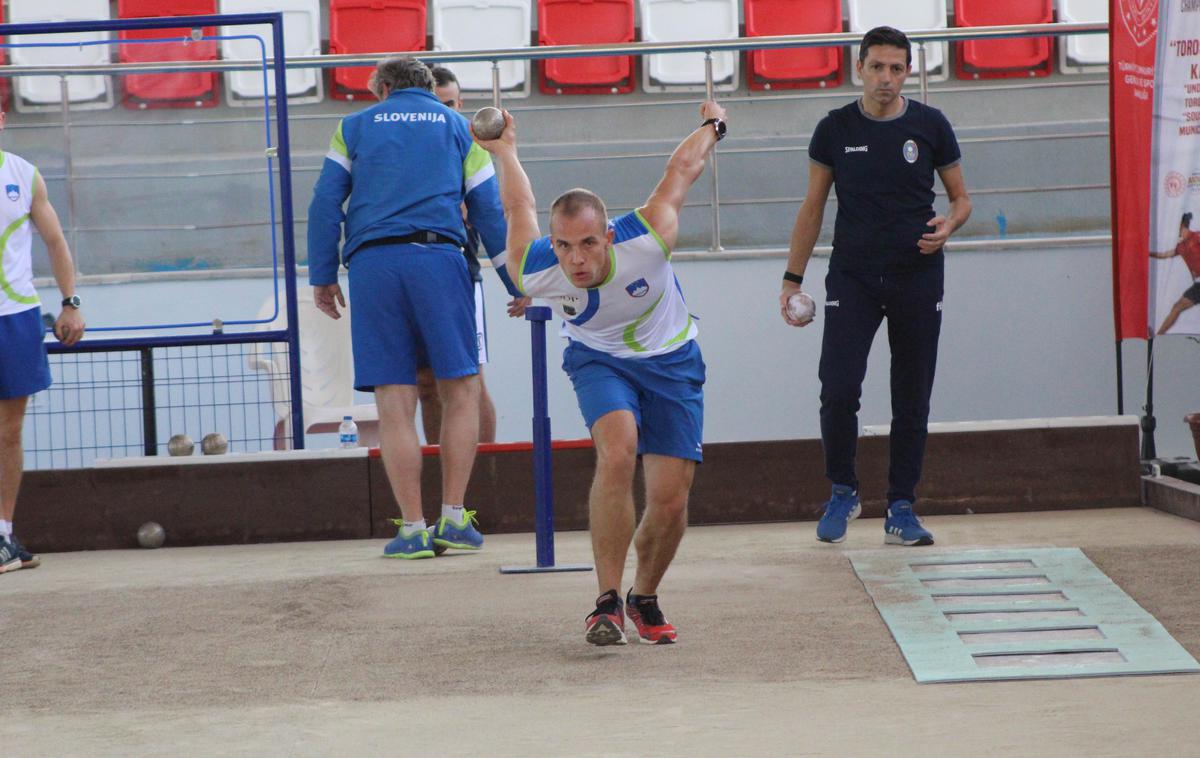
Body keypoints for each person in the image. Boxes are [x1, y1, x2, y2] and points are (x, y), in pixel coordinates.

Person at [475, 99, 727, 646]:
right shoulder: (536, 268)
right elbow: (519, 204)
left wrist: (713, 125)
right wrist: (505, 150)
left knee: (671, 500)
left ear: (608, 236)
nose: (576, 259)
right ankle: (606, 603)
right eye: (564, 246)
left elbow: (681, 170)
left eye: (588, 243)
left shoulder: (648, 235)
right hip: (599, 359)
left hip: (673, 360)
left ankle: (644, 596)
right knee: (618, 450)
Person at [307, 56, 518, 559]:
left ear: (381, 89)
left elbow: (323, 204)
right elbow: (489, 209)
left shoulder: (351, 127)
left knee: (394, 399)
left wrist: (322, 275)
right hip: (441, 260)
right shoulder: (460, 128)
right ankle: (453, 519)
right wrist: (515, 282)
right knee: (461, 388)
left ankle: (413, 530)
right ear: (429, 87)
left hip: (373, 266)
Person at [779, 26, 972, 547]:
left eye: (896, 68)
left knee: (912, 394)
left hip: (917, 274)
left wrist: (948, 227)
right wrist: (791, 279)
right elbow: (813, 207)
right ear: (858, 69)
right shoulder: (834, 128)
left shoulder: (931, 125)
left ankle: (901, 507)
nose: (886, 78)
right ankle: (843, 490)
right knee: (838, 388)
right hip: (854, 276)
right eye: (877, 67)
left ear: (907, 71)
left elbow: (961, 200)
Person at [416, 65, 530, 445]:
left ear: (461, 105)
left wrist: (517, 283)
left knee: (470, 379)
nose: (444, 114)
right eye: (436, 105)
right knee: (426, 384)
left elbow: (496, 213)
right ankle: (438, 473)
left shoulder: (469, 146)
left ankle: (488, 476)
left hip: (460, 270)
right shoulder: (409, 149)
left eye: (450, 105)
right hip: (415, 272)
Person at [0, 107, 86, 574]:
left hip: (14, 317)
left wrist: (70, 302)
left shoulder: (23, 174)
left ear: (2, 118)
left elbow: (54, 241)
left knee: (9, 432)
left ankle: (4, 534)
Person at [1150, 212, 1200, 334]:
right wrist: (1148, 253)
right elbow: (1165, 254)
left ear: (1182, 225)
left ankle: (1159, 333)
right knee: (1177, 307)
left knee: (1178, 307)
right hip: (1198, 285)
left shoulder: (1197, 236)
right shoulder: (1180, 246)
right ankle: (1159, 333)